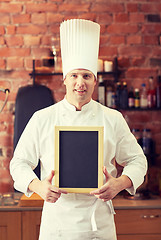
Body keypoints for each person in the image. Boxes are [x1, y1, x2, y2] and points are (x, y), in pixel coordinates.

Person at [10, 19, 147, 240]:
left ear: (95, 80)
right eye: (74, 75)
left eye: (86, 76)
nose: (79, 83)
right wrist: (38, 186)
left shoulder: (112, 118)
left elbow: (138, 160)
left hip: (99, 226)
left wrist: (120, 184)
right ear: (64, 80)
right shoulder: (43, 118)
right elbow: (18, 163)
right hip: (57, 226)